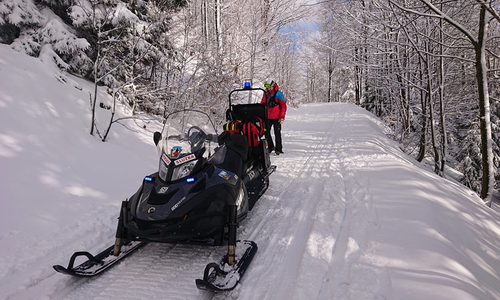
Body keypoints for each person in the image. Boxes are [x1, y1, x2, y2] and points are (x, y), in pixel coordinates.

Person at [261, 80, 287, 155]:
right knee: (266, 132)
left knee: (277, 133)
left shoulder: (278, 94)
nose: (268, 88)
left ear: (272, 86)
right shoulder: (266, 94)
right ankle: (270, 146)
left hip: (277, 117)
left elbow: (283, 106)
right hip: (268, 117)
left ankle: (278, 149)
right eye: (266, 87)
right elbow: (262, 104)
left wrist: (282, 117)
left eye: (269, 87)